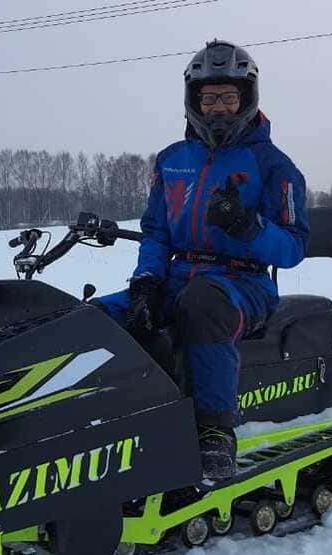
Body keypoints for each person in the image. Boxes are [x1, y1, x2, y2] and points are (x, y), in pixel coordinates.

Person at [93, 40, 309, 482]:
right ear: (193, 100)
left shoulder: (274, 166)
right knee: (95, 317)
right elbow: (155, 230)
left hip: (242, 285)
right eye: (208, 98)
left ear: (247, 98)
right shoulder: (173, 160)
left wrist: (250, 228)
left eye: (228, 97)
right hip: (176, 276)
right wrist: (148, 282)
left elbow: (292, 248)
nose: (218, 109)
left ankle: (214, 430)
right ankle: (86, 421)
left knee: (203, 301)